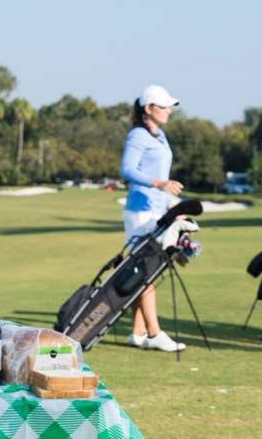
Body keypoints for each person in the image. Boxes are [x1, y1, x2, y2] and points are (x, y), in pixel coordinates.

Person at [119, 85, 186, 352]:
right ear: (148, 109)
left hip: (157, 209)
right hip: (140, 211)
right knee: (146, 271)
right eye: (164, 106)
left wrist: (172, 204)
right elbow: (127, 169)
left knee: (148, 270)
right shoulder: (138, 135)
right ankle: (154, 333)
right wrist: (158, 183)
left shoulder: (161, 136)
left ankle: (138, 332)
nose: (169, 111)